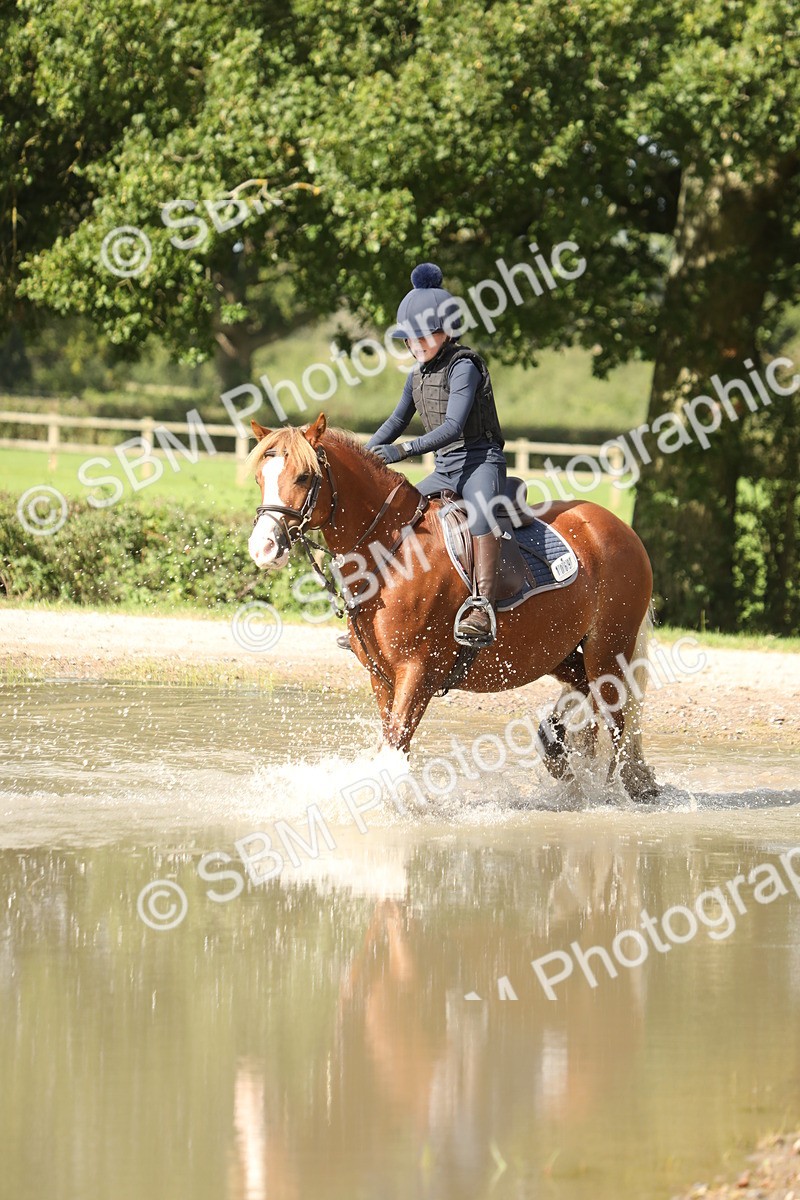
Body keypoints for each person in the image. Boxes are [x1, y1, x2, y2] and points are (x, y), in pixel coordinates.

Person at [366, 262, 507, 645]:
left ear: (447, 331)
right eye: (411, 338)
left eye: (427, 335)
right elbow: (396, 420)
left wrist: (402, 452)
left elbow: (453, 428)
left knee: (480, 513)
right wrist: (363, 457)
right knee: (398, 513)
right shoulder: (416, 375)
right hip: (445, 469)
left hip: (480, 462)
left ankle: (482, 606)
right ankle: (380, 604)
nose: (418, 344)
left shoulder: (464, 367)